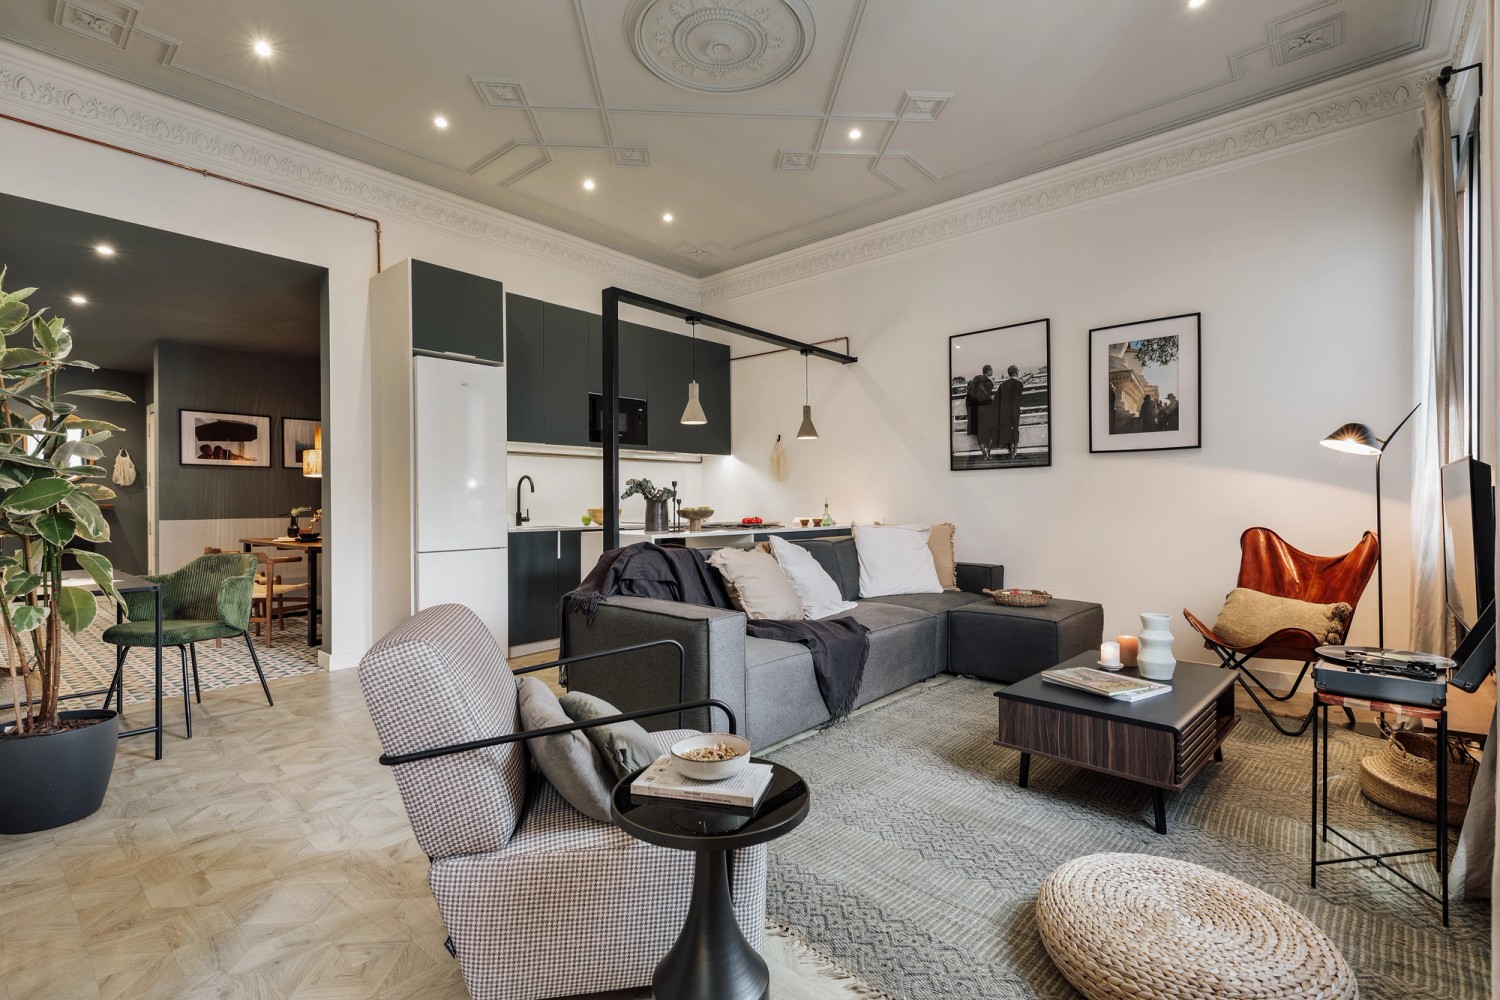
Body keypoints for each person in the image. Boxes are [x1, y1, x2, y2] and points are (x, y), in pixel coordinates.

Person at [966, 365, 996, 459]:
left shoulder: (975, 379)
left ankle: (984, 454)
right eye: (992, 371)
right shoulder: (988, 381)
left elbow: (969, 389)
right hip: (986, 409)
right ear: (989, 372)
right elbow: (989, 392)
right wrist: (993, 382)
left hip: (975, 409)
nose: (992, 372)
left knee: (979, 432)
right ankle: (988, 453)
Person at [994, 364, 1025, 458]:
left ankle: (1011, 451)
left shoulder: (1002, 385)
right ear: (1016, 372)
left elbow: (996, 399)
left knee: (1007, 430)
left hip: (1005, 411)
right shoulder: (1020, 383)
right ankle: (1015, 450)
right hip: (1015, 409)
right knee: (1015, 429)